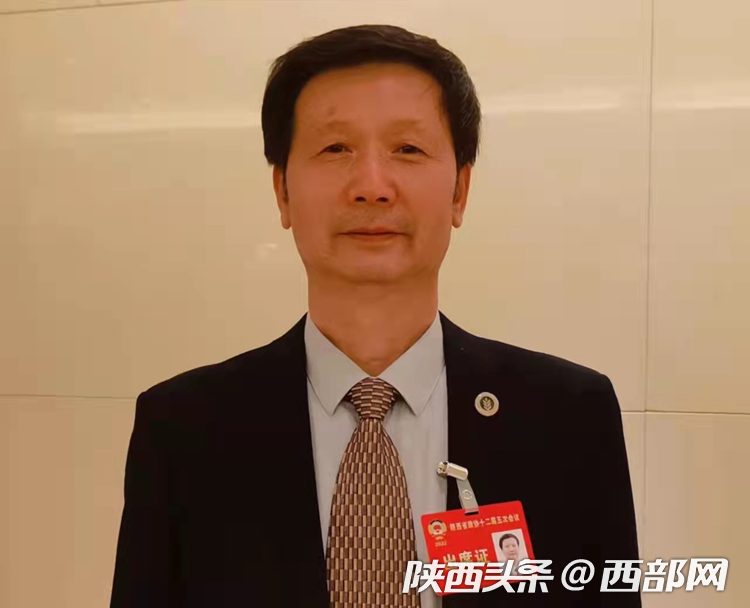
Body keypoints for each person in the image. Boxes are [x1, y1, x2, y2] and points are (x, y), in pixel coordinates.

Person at [110, 24, 641, 608]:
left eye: (407, 149)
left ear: (460, 191)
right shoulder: (183, 430)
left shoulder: (569, 419)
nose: (371, 186)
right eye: (335, 148)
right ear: (282, 191)